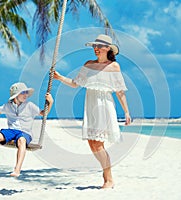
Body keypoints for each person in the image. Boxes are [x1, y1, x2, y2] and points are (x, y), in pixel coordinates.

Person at [54, 34, 131, 188]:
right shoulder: (88, 65)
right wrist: (60, 77)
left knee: (99, 144)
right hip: (90, 105)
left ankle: (108, 178)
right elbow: (75, 83)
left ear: (108, 48)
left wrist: (127, 112)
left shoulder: (114, 67)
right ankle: (106, 172)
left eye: (99, 46)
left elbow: (120, 91)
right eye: (94, 46)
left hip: (105, 105)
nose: (96, 49)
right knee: (92, 143)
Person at [0, 82, 54, 177]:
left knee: (21, 140)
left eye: (26, 92)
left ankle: (17, 170)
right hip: (11, 131)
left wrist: (50, 102)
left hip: (25, 133)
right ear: (15, 96)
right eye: (23, 92)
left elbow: (43, 113)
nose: (26, 95)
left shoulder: (29, 105)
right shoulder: (8, 106)